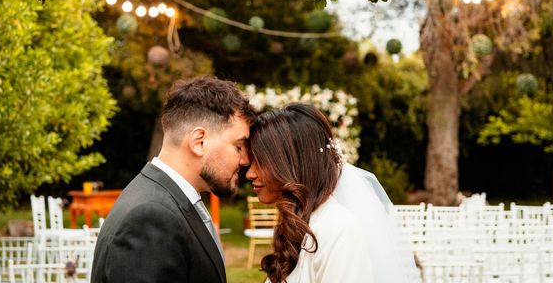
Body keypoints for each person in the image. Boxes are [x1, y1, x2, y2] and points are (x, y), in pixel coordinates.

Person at [91, 75, 255, 283]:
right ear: (199, 141)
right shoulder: (150, 218)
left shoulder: (170, 201)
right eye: (238, 146)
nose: (244, 160)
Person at [246, 103, 418, 283]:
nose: (249, 173)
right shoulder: (302, 223)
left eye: (261, 161)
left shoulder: (338, 229)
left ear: (292, 163)